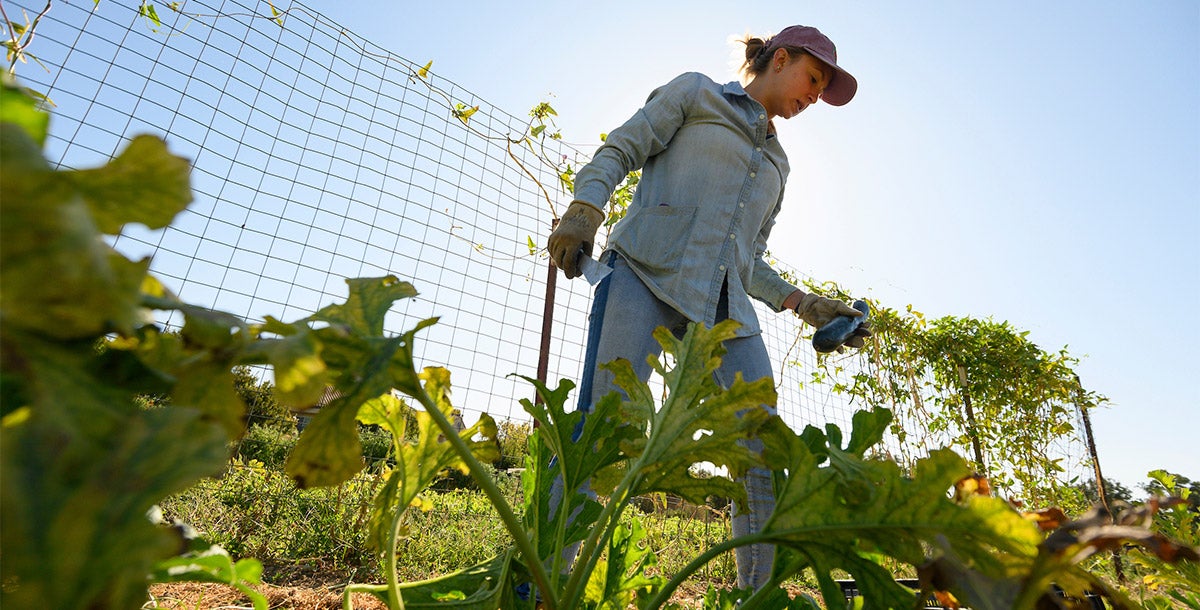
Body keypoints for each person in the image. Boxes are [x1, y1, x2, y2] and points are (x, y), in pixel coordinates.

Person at [547, 25, 869, 591]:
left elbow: (748, 260)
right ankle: (544, 577)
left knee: (761, 444)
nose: (816, 94)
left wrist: (804, 303)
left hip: (727, 309)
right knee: (606, 423)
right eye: (813, 78)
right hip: (646, 272)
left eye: (824, 89)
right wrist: (584, 209)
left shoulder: (779, 166)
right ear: (781, 58)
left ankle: (760, 594)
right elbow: (623, 146)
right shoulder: (697, 93)